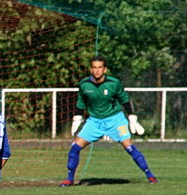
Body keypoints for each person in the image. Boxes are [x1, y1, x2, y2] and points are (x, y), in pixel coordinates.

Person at [60, 56, 157, 186]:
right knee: (75, 148)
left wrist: (132, 117)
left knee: (129, 147)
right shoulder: (84, 84)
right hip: (94, 121)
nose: (97, 71)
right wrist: (77, 118)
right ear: (91, 69)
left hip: (115, 120)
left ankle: (150, 176)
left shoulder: (114, 83)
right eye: (94, 67)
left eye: (100, 67)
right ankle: (70, 179)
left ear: (104, 69)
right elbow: (81, 102)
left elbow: (125, 100)